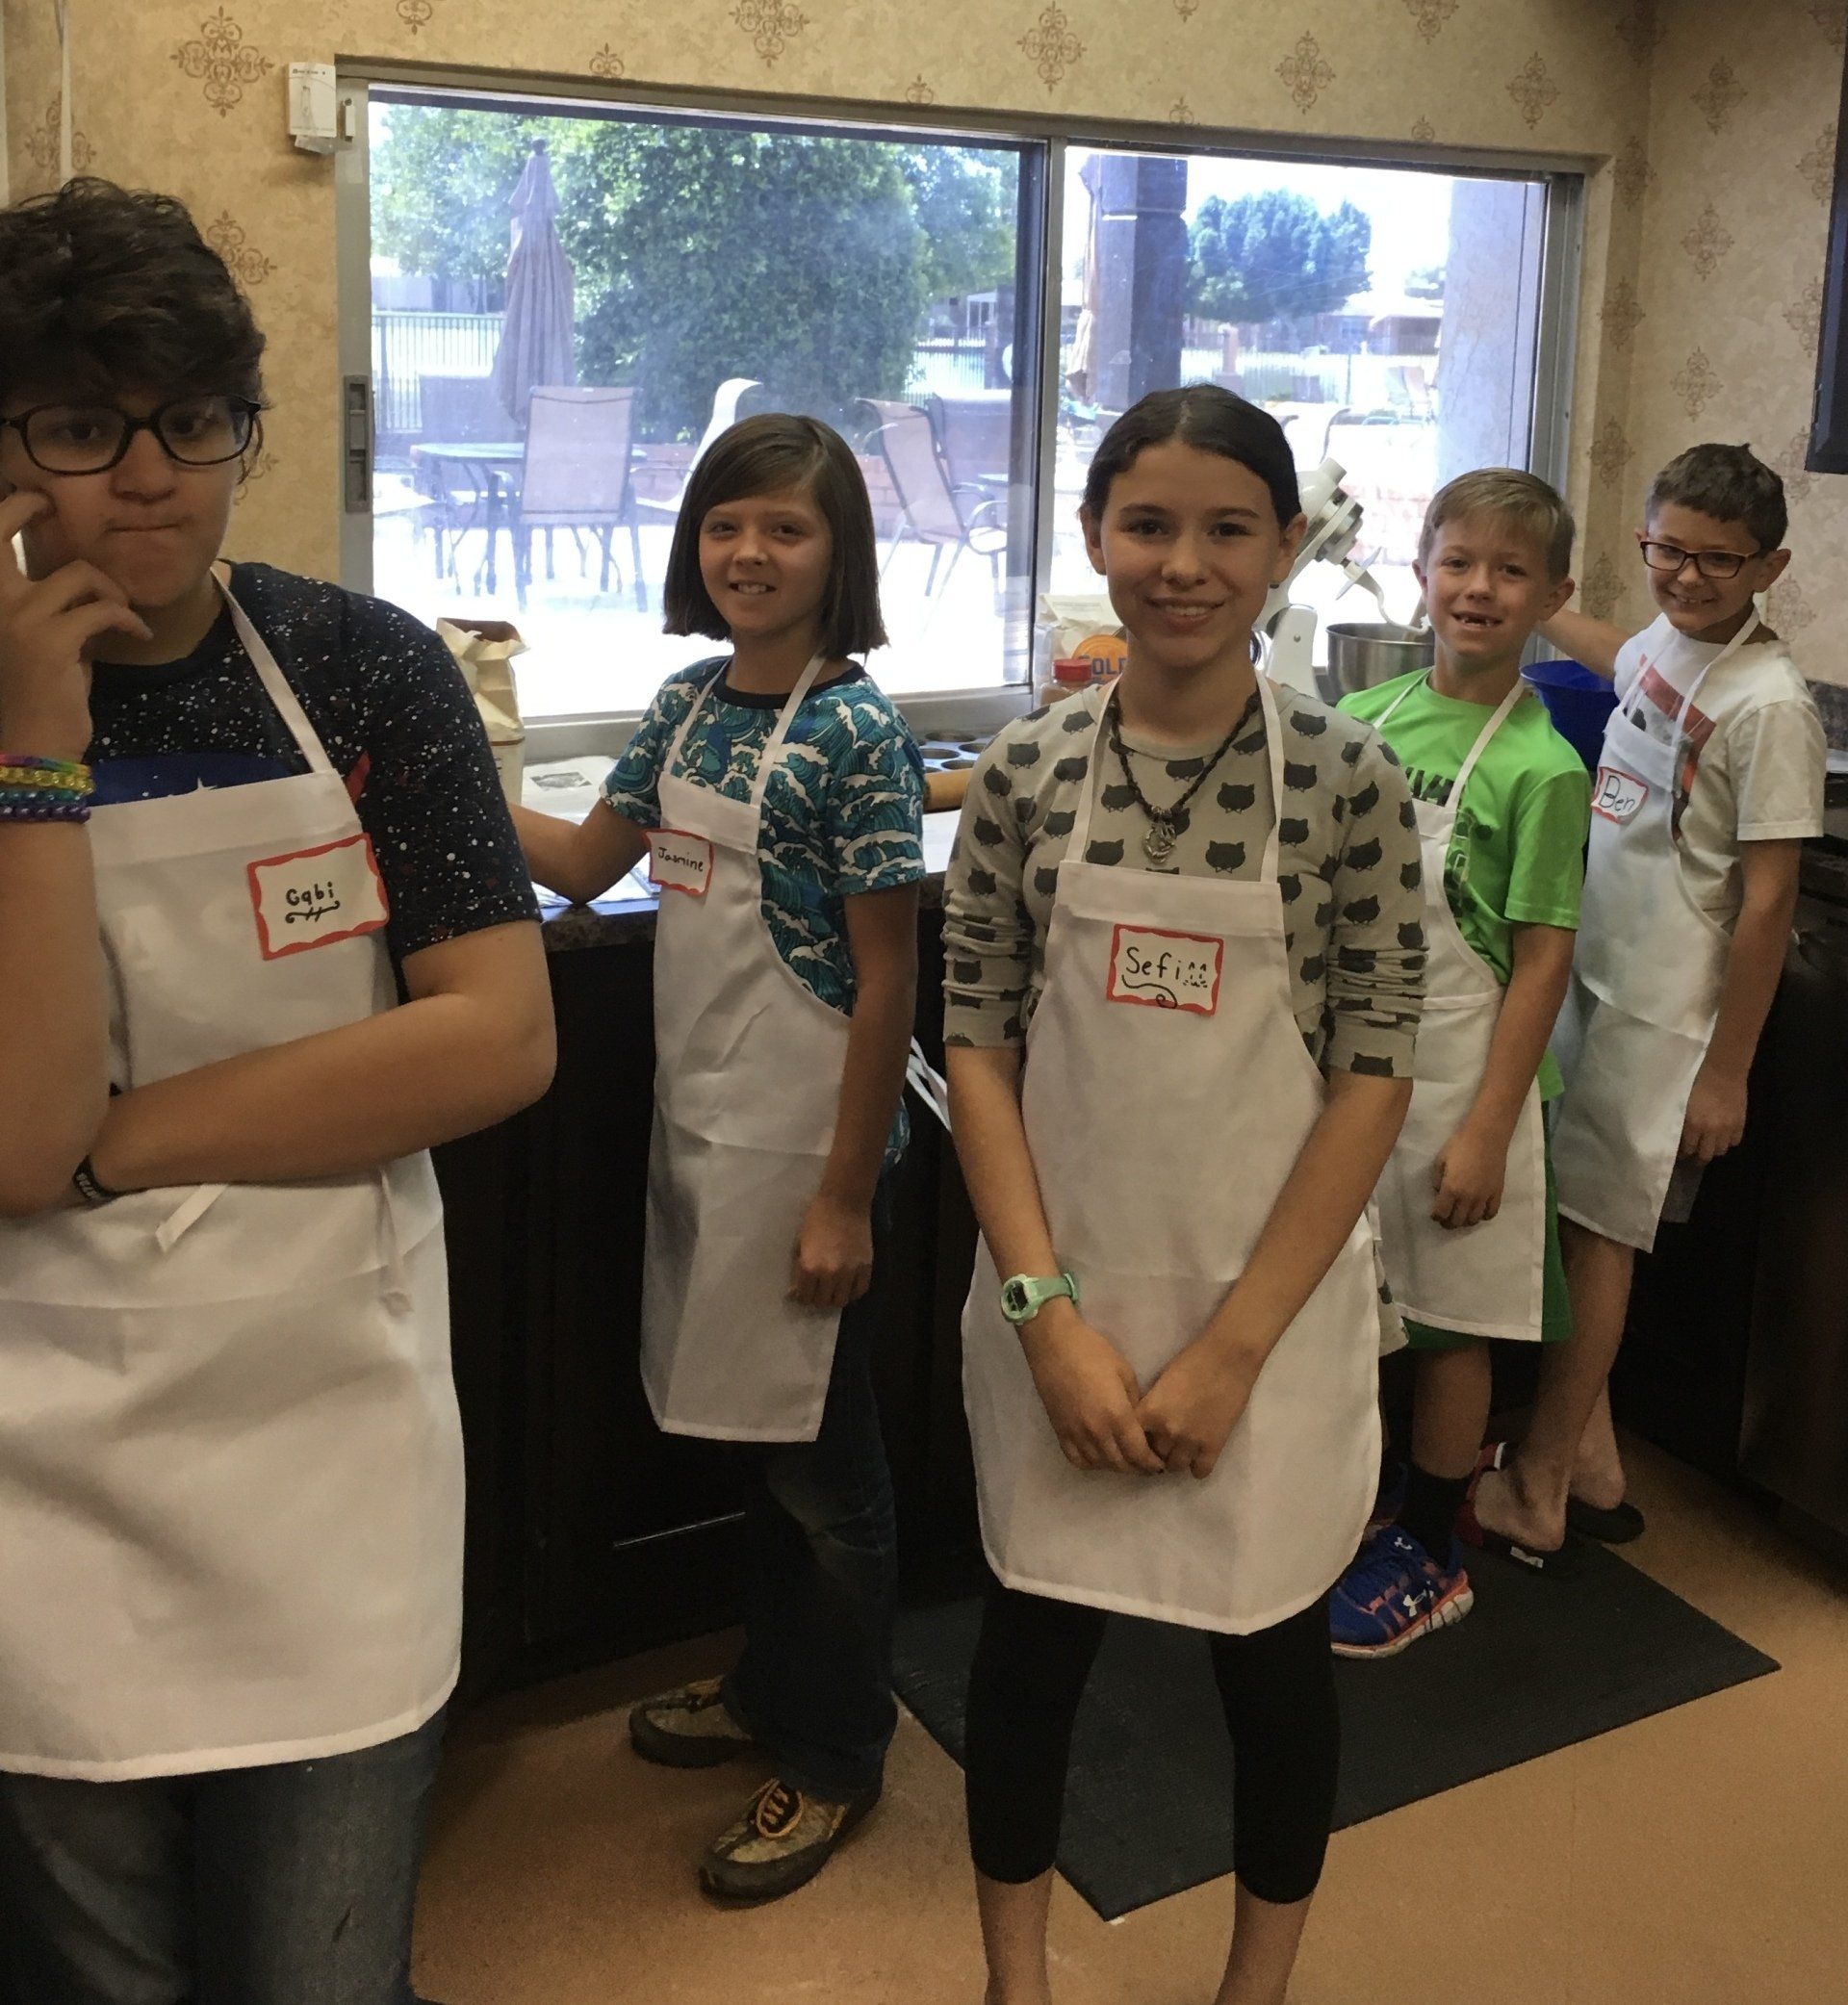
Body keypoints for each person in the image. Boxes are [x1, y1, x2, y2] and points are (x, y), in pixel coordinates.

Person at [0, 180, 555, 2005]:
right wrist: (36, 755)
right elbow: (13, 1142)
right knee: (101, 1974)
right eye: (82, 424)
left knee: (319, 1972)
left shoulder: (360, 667)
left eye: (194, 421)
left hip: (331, 1440)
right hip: (46, 1465)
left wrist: (133, 1133)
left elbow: (497, 1036)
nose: (146, 476)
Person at [942, 385, 1424, 2005]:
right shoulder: (1022, 772)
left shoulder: (1350, 782)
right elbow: (981, 1047)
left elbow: (1372, 1071)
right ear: (1095, 536)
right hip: (1057, 1307)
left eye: (1229, 527)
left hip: (1264, 1321)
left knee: (1274, 1667)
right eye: (1149, 523)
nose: (1186, 562)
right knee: (1029, 1658)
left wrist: (1232, 1350)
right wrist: (1046, 1315)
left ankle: (1254, 1988)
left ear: (1287, 546)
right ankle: (1019, 1981)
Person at [513, 413, 924, 1901]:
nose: (748, 553)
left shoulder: (854, 732)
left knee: (829, 1474)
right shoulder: (689, 705)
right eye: (725, 525)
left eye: (785, 530)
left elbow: (887, 981)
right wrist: (422, 768)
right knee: (765, 1449)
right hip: (705, 1135)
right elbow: (580, 864)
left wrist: (838, 1193)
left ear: (836, 555)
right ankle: (768, 1684)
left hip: (805, 1150)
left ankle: (833, 1752)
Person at [1472, 443, 1825, 1567]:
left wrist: (1725, 1070)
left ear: (1768, 565)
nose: (1686, 576)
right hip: (1598, 977)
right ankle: (1592, 1457)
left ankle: (1537, 1487)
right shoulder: (1670, 645)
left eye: (1717, 561)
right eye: (1667, 549)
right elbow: (1620, 654)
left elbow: (1768, 908)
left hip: (1667, 1014)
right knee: (1577, 1225)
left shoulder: (1772, 708)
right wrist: (1520, 604)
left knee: (1599, 1236)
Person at [1328, 470, 1588, 1653]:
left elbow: (1540, 966)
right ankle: (1367, 1507)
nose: (1479, 588)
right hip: (1353, 1078)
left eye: (1511, 570)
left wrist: (1488, 1126)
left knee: (1449, 1324)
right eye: (1459, 562)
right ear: (1423, 571)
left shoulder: (1544, 769)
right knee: (1354, 1303)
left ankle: (1433, 1547)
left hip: (1462, 1088)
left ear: (1553, 596)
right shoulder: (1365, 722)